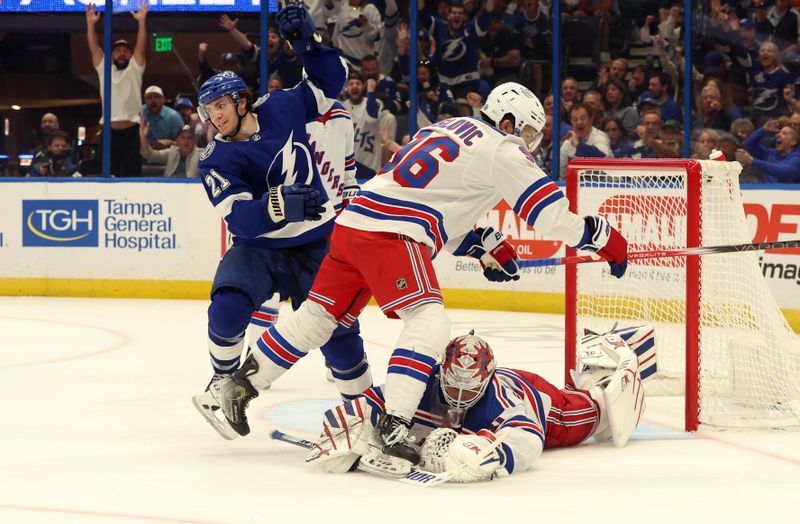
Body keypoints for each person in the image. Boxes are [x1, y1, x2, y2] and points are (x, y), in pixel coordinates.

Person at [205, 82, 629, 475]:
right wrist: (602, 237)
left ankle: (241, 384)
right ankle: (395, 426)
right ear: (507, 122)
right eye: (530, 131)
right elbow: (549, 216)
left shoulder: (446, 128)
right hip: (393, 232)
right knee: (429, 322)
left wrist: (481, 244)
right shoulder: (502, 149)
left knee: (318, 317)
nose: (532, 142)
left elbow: (436, 203)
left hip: (353, 223)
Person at [191, 5, 371, 440]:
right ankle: (223, 381)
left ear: (241, 100)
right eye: (207, 109)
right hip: (261, 250)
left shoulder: (283, 106)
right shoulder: (216, 159)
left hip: (316, 243)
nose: (214, 116)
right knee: (228, 305)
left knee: (341, 334)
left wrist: (307, 45)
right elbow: (242, 220)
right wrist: (278, 205)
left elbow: (331, 83)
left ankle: (365, 413)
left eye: (220, 105)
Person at [304, 327, 651, 480]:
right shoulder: (419, 387)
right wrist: (343, 428)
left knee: (593, 412)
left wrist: (474, 452)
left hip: (537, 398)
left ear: (485, 379)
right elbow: (368, 403)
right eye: (452, 385)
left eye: (468, 390)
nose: (457, 397)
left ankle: (599, 370)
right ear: (440, 372)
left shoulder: (502, 401)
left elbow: (528, 441)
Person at [85, 2, 148, 177]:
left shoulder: (135, 69)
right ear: (111, 55)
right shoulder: (104, 70)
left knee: (132, 175)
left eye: (125, 51)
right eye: (118, 50)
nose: (122, 53)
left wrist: (142, 21)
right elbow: (94, 48)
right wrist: (90, 24)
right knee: (107, 176)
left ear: (130, 54)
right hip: (109, 133)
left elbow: (140, 48)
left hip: (131, 133)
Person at [736, 118, 800, 183]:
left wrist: (752, 161)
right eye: (779, 133)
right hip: (766, 191)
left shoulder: (797, 158)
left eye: (784, 133)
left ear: (793, 142)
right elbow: (749, 145)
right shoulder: (768, 153)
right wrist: (763, 130)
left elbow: (783, 171)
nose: (778, 135)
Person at [141, 85, 184, 150]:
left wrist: (169, 143)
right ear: (145, 101)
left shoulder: (173, 116)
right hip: (144, 153)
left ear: (162, 100)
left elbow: (184, 143)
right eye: (149, 98)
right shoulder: (139, 113)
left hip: (167, 154)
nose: (153, 100)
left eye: (156, 97)